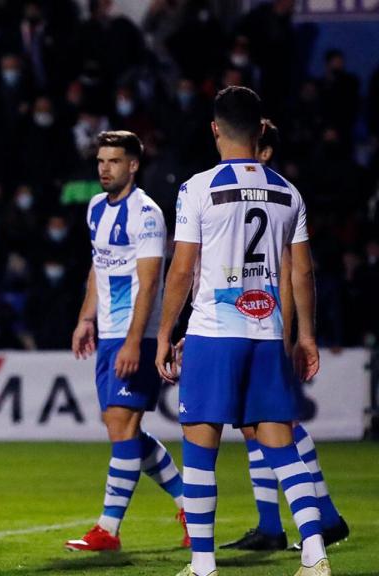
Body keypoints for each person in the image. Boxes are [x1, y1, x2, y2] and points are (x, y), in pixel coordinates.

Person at [156, 86, 330, 576]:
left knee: (199, 445)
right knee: (280, 442)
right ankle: (315, 554)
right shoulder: (287, 192)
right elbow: (302, 272)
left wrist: (167, 331)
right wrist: (306, 336)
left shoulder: (197, 188)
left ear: (215, 129)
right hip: (268, 333)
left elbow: (182, 268)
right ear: (260, 130)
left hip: (214, 331)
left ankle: (203, 564)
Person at [217, 119, 348, 552]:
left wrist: (287, 336)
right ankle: (277, 524)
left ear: (265, 151)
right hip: (258, 326)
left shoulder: (278, 198)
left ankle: (319, 519)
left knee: (277, 424)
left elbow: (291, 275)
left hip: (267, 329)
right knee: (258, 426)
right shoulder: (262, 197)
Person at [64, 131, 188, 552]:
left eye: (114, 161)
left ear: (133, 165)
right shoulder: (96, 208)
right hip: (109, 333)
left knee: (122, 426)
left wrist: (138, 342)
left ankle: (108, 529)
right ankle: (191, 503)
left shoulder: (148, 214)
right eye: (101, 160)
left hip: (138, 333)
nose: (104, 168)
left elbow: (150, 282)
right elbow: (99, 267)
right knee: (122, 427)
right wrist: (85, 318)